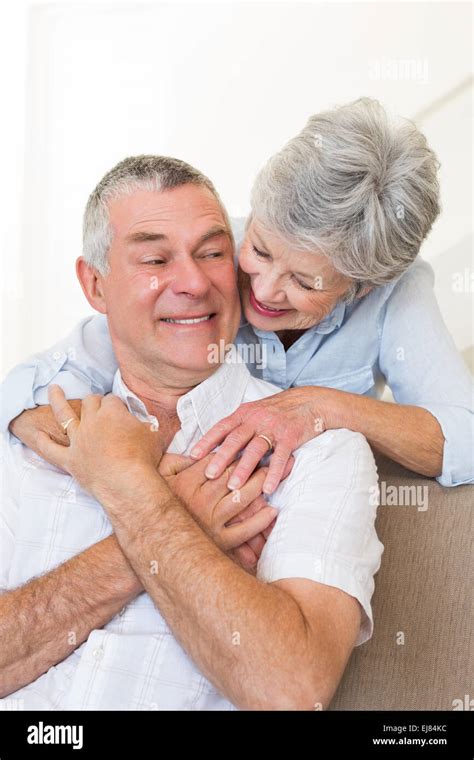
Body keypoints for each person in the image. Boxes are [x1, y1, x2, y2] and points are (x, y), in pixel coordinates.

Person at [0, 157, 382, 710]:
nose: (194, 283)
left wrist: (128, 485)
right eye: (155, 258)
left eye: (212, 254)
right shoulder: (29, 440)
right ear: (95, 285)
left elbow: (290, 692)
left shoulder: (320, 455)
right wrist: (174, 514)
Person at [3, 98, 473, 491]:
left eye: (305, 282)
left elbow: (466, 439)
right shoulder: (203, 259)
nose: (264, 290)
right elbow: (46, 382)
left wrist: (323, 406)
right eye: (261, 250)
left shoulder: (396, 291)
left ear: (362, 285)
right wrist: (29, 420)